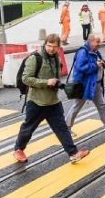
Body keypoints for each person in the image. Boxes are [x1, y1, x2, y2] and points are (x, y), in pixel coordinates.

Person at [13, 34, 89, 164]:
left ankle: (73, 153)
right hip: (37, 102)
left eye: (54, 46)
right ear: (45, 44)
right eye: (49, 46)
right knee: (28, 128)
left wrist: (61, 85)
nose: (51, 49)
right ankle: (18, 149)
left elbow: (55, 77)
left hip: (53, 102)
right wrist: (46, 82)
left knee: (62, 128)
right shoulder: (35, 58)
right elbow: (26, 79)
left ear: (59, 47)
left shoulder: (56, 58)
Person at [64, 35, 105, 139]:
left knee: (101, 106)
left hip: (95, 84)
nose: (99, 44)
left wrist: (102, 64)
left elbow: (99, 61)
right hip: (85, 86)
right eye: (97, 42)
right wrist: (96, 65)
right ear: (90, 42)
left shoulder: (95, 51)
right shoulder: (83, 52)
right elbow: (80, 67)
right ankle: (66, 129)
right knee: (76, 107)